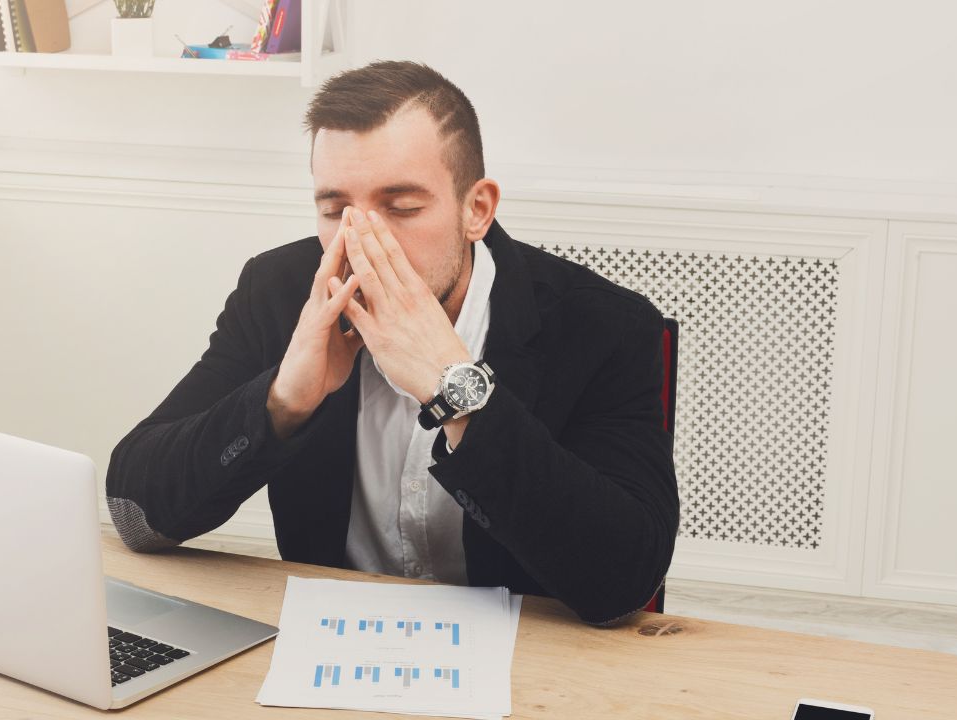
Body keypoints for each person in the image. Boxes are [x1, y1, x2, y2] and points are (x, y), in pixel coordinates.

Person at [105, 60, 678, 626]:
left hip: (530, 651)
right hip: (328, 641)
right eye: (335, 210)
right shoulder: (277, 293)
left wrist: (457, 394)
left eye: (402, 208)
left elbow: (625, 582)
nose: (362, 240)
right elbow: (135, 514)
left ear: (477, 209)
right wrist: (282, 400)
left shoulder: (605, 325)